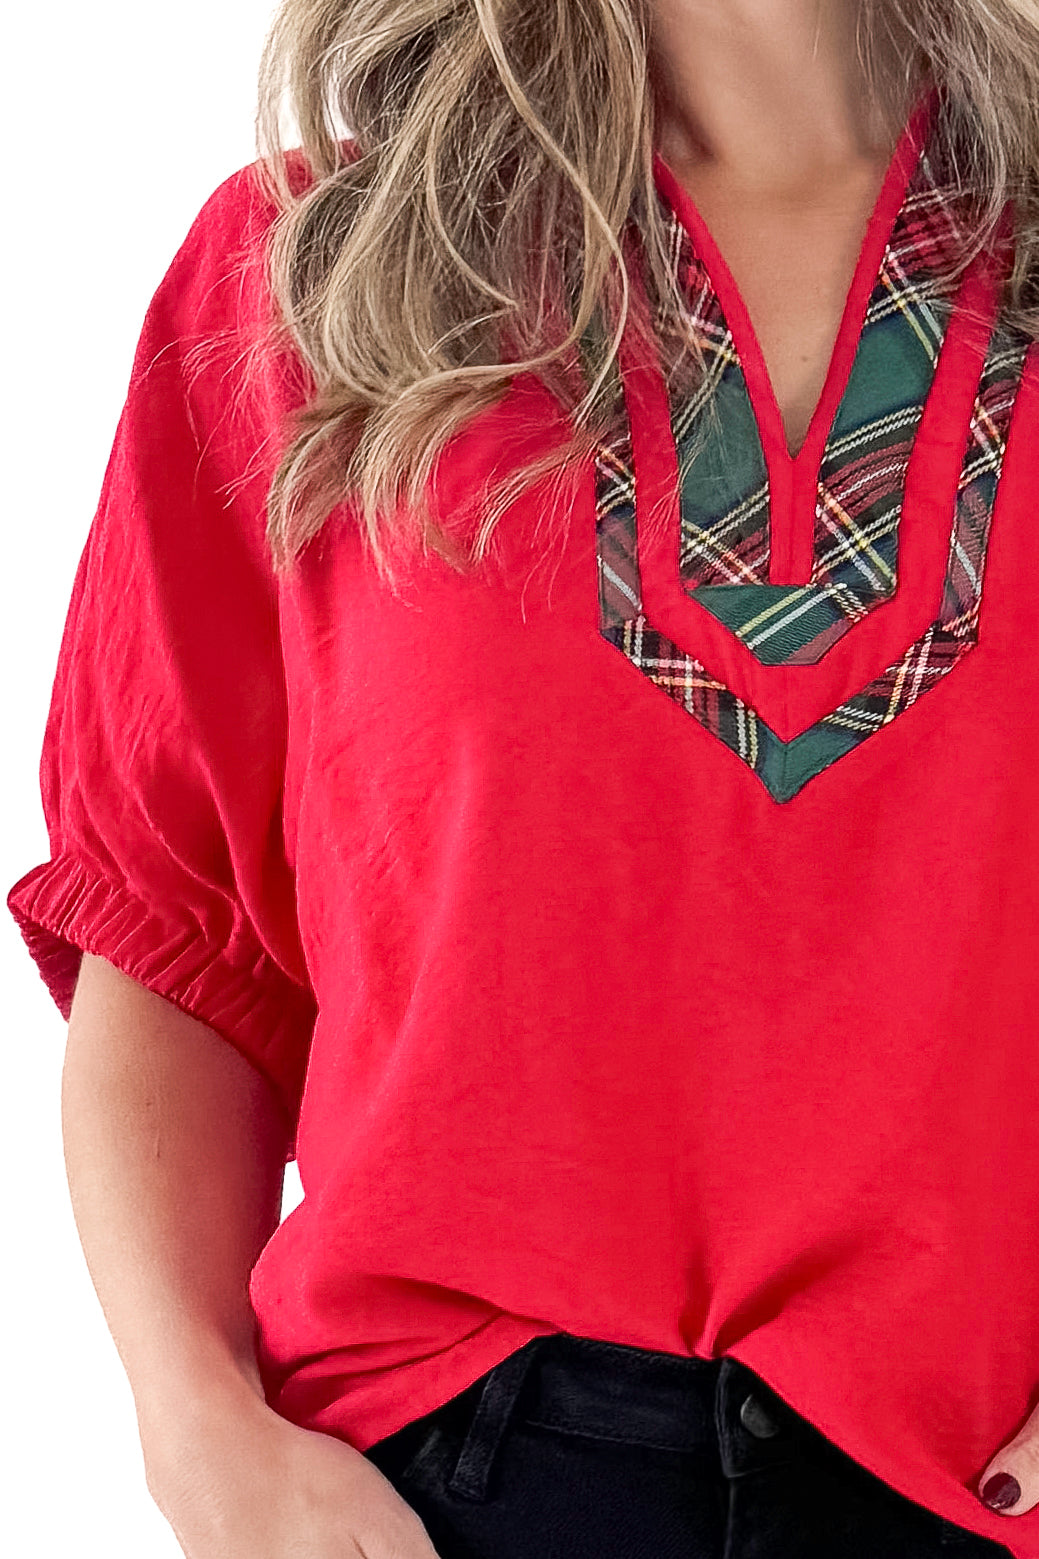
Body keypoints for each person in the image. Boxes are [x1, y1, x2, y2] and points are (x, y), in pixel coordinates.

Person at [8, 0, 1039, 1555]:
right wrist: (197, 1427)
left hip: (972, 1475)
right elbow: (182, 934)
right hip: (446, 1480)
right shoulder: (316, 276)